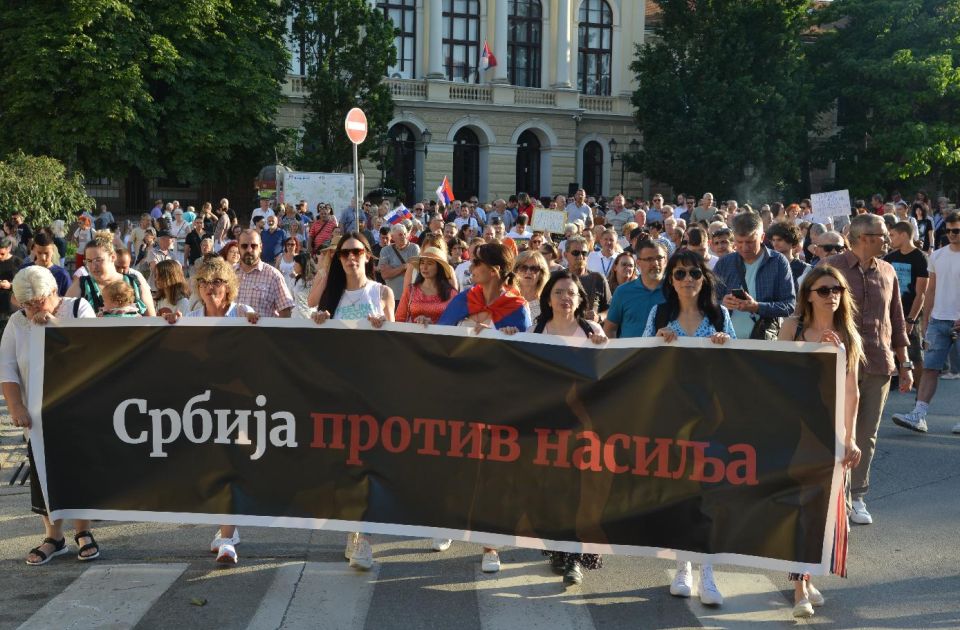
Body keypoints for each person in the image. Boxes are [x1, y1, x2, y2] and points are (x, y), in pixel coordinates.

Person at [641, 250, 732, 608]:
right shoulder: (659, 313)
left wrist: (726, 345)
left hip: (711, 415)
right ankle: (684, 567)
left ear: (704, 277)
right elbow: (642, 361)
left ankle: (708, 571)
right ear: (671, 280)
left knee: (708, 491)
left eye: (695, 272)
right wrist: (657, 342)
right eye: (680, 274)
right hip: (672, 414)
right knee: (680, 490)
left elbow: (740, 364)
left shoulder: (719, 314)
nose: (688, 279)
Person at [434, 242, 530, 572]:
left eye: (476, 263)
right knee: (454, 462)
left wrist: (507, 337)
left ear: (492, 270)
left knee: (492, 470)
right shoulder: (465, 298)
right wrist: (468, 329)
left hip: (498, 396)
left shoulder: (519, 307)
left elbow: (527, 355)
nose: (470, 267)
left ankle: (491, 545)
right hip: (460, 392)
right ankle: (447, 525)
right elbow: (441, 337)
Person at [778, 266, 863, 618]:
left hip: (831, 431)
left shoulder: (847, 333)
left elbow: (852, 392)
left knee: (827, 509)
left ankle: (807, 573)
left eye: (837, 290)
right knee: (804, 506)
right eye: (824, 290)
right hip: (797, 430)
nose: (832, 296)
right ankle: (799, 587)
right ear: (809, 294)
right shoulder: (792, 327)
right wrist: (810, 351)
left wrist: (851, 438)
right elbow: (776, 376)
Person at [162, 255, 257, 564]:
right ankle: (228, 529)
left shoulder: (243, 313)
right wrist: (167, 325)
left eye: (216, 282)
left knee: (229, 466)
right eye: (203, 282)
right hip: (201, 406)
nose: (209, 288)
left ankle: (228, 537)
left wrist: (258, 327)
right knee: (212, 469)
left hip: (238, 405)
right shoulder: (189, 314)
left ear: (228, 285)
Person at [2, 266, 100, 565]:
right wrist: (16, 407)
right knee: (43, 474)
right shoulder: (17, 323)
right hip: (38, 413)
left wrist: (55, 325)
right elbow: (7, 367)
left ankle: (83, 532)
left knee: (79, 472)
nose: (31, 309)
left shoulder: (77, 308)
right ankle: (53, 537)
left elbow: (94, 350)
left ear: (53, 293)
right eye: (25, 304)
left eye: (37, 302)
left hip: (77, 408)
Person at [309, 233, 394, 571]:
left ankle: (364, 537)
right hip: (340, 391)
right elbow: (314, 329)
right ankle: (352, 527)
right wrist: (318, 321)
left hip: (374, 391)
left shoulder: (382, 292)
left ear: (367, 256)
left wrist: (385, 326)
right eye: (344, 253)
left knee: (370, 465)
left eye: (357, 251)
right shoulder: (332, 294)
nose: (351, 257)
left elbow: (399, 341)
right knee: (347, 467)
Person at [821, 214, 911, 525]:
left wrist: (906, 363)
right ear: (862, 238)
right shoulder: (830, 268)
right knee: (836, 432)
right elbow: (808, 311)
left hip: (877, 361)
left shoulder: (888, 270)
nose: (888, 239)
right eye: (882, 234)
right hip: (837, 363)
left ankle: (856, 495)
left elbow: (896, 320)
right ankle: (835, 497)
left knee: (866, 434)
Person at [519, 269, 607, 585]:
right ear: (548, 298)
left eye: (571, 292)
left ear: (580, 298)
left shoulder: (592, 330)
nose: (565, 297)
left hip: (583, 424)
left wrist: (603, 349)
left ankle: (573, 558)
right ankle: (559, 550)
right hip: (548, 424)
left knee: (579, 489)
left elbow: (609, 377)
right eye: (558, 292)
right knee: (553, 489)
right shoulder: (536, 329)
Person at [893, 212, 960, 434]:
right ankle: (919, 415)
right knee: (930, 368)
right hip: (939, 321)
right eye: (949, 230)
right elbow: (930, 291)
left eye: (956, 231)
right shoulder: (938, 256)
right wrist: (927, 318)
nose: (952, 234)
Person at [713, 212, 796, 341]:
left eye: (750, 242)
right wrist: (722, 303)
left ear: (762, 237)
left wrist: (757, 307)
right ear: (733, 238)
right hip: (726, 342)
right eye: (739, 242)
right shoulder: (724, 263)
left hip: (762, 342)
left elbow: (789, 306)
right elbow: (707, 302)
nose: (744, 247)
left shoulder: (778, 262)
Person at [883, 221, 929, 393]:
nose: (890, 239)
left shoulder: (920, 258)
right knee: (890, 351)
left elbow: (921, 294)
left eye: (893, 235)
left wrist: (911, 319)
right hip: (891, 313)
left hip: (911, 314)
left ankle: (921, 396)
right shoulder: (889, 258)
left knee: (915, 355)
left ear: (903, 235)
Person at [67, 233, 156, 316]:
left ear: (113, 257)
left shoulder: (135, 282)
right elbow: (64, 318)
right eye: (89, 261)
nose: (93, 266)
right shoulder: (81, 284)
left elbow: (152, 321)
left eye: (98, 260)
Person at [603, 240, 666, 339]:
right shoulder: (622, 292)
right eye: (649, 259)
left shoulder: (675, 291)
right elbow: (610, 329)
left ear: (665, 261)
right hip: (629, 354)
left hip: (664, 353)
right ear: (639, 263)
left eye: (659, 258)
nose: (655, 263)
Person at [235, 230, 294, 318]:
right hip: (232, 331)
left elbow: (285, 311)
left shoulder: (274, 276)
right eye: (244, 246)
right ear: (238, 247)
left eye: (254, 246)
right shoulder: (227, 274)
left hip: (262, 331)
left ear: (261, 248)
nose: (249, 249)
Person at [396, 247, 458, 324]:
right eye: (422, 263)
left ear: (439, 267)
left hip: (441, 335)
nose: (424, 267)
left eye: (429, 263)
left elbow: (455, 322)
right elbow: (399, 319)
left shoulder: (451, 293)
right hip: (412, 335)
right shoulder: (410, 290)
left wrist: (432, 325)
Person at [563, 236, 611, 323]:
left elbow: (610, 309)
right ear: (565, 255)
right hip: (562, 331)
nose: (580, 256)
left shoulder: (598, 279)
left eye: (584, 253)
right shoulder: (557, 278)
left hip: (590, 333)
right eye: (575, 253)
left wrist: (599, 317)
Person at [378, 223, 420, 305]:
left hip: (411, 296)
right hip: (392, 297)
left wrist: (392, 269)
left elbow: (414, 272)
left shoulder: (414, 248)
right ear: (393, 237)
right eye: (400, 234)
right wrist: (404, 266)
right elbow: (385, 275)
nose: (403, 236)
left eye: (405, 234)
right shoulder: (385, 250)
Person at [21, 230, 71, 296]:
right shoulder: (24, 270)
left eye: (46, 253)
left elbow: (69, 300)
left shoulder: (62, 275)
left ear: (53, 251)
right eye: (39, 253)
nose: (43, 258)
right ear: (34, 250)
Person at [767, 222, 810, 294]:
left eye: (779, 240)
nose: (775, 244)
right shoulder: (767, 266)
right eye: (773, 240)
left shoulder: (805, 269)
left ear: (791, 241)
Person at [513, 250, 550, 324]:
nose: (528, 272)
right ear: (515, 271)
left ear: (541, 274)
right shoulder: (506, 299)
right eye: (523, 267)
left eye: (534, 269)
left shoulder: (548, 304)